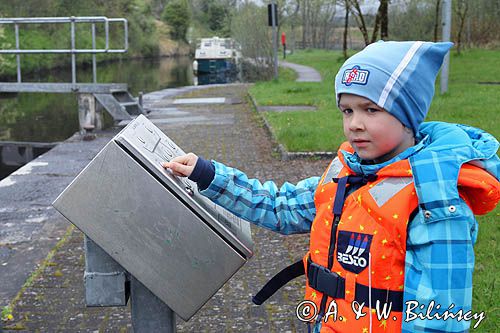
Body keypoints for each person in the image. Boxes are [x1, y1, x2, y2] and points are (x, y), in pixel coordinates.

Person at [162, 41, 500, 332]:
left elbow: (441, 318)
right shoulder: (346, 173)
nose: (355, 124)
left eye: (371, 109)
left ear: (408, 116)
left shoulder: (434, 202)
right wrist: (208, 174)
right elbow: (281, 206)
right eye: (347, 109)